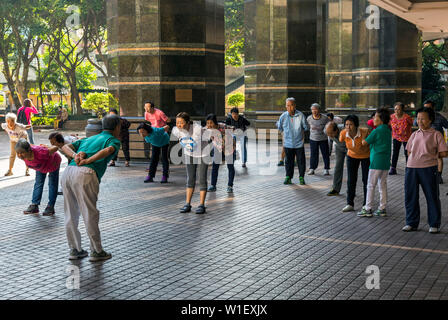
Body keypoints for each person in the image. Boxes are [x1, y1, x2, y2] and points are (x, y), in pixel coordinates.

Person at [60, 114, 121, 261]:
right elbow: (108, 151)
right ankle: (97, 250)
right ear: (117, 127)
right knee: (89, 213)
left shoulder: (90, 138)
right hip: (86, 174)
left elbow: (64, 146)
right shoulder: (112, 139)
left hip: (68, 172)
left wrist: (75, 156)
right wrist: (89, 160)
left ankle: (75, 249)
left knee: (70, 212)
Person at [403, 107, 448, 233]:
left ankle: (434, 224)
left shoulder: (436, 134)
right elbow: (409, 150)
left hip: (428, 168)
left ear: (430, 120)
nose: (420, 121)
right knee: (410, 196)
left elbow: (444, 153)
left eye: (423, 119)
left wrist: (430, 155)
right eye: (418, 119)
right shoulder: (414, 134)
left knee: (432, 196)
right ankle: (411, 223)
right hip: (411, 168)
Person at [172, 112, 210, 214]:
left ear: (188, 123)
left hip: (203, 153)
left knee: (202, 178)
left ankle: (201, 205)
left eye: (181, 122)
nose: (179, 125)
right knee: (190, 178)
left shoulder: (197, 129)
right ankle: (187, 204)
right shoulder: (176, 130)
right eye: (177, 122)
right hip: (190, 154)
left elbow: (193, 144)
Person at [357, 108, 392, 217]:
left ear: (381, 119)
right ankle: (382, 208)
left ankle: (368, 208)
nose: (373, 119)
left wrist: (363, 137)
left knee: (371, 185)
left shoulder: (376, 130)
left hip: (376, 161)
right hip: (385, 161)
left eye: (375, 117)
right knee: (382, 185)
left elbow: (364, 143)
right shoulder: (387, 129)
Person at [15, 139, 62, 216]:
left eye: (22, 153)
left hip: (53, 163)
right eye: (18, 153)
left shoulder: (40, 152)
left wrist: (48, 146)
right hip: (40, 167)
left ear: (29, 151)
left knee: (52, 184)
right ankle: (34, 206)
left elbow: (56, 148)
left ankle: (50, 207)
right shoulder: (24, 156)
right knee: (38, 183)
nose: (19, 155)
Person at [339, 115, 370, 212]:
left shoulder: (364, 132)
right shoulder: (343, 133)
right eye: (346, 124)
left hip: (366, 157)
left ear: (356, 125)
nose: (348, 127)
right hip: (351, 156)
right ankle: (350, 203)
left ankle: (366, 204)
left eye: (351, 124)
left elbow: (371, 140)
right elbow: (338, 141)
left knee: (366, 180)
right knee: (351, 180)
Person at [414, 100, 448, 184]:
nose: (427, 109)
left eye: (429, 107)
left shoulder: (439, 117)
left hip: (436, 140)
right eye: (425, 107)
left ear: (433, 108)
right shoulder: (421, 116)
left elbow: (447, 125)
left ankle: (438, 175)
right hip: (423, 140)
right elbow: (415, 123)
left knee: (438, 157)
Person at [276, 97, 309, 185]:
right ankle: (288, 177)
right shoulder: (283, 116)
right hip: (288, 143)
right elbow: (279, 127)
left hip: (299, 143)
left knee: (301, 161)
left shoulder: (301, 115)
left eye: (291, 105)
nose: (289, 107)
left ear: (294, 106)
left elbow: (306, 127)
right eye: (287, 106)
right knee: (288, 161)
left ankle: (301, 177)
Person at [205, 114, 236, 193]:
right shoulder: (207, 130)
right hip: (218, 147)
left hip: (228, 146)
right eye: (207, 123)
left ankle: (230, 186)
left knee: (230, 166)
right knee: (215, 166)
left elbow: (233, 129)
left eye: (211, 123)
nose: (209, 125)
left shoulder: (223, 126)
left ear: (215, 123)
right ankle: (213, 185)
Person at [389, 102, 413, 175]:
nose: (396, 111)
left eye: (398, 109)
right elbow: (389, 125)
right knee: (395, 153)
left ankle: (408, 168)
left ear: (402, 110)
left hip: (406, 137)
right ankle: (393, 168)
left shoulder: (407, 117)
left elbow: (411, 124)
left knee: (407, 153)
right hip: (396, 137)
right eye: (395, 109)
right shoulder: (391, 117)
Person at [307, 103, 330, 175]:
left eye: (315, 109)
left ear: (319, 110)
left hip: (323, 138)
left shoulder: (325, 118)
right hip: (313, 138)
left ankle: (326, 169)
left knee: (325, 154)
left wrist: (326, 131)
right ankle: (312, 168)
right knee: (313, 154)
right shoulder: (309, 118)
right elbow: (307, 127)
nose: (314, 111)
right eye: (312, 109)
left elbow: (329, 126)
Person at [325, 121, 347, 196]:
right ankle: (335, 189)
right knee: (338, 167)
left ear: (336, 130)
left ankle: (351, 190)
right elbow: (330, 141)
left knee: (351, 169)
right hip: (339, 148)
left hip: (349, 148)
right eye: (328, 134)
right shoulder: (327, 131)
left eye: (331, 133)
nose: (330, 135)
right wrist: (329, 152)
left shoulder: (344, 130)